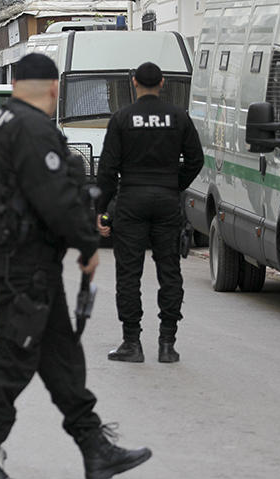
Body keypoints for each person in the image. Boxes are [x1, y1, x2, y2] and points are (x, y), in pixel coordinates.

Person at [0, 53, 151, 479]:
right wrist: (87, 244)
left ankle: (94, 446)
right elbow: (55, 197)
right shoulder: (34, 128)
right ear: (54, 88)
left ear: (16, 82)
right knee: (13, 357)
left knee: (60, 354)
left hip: (20, 260)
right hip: (25, 264)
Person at [95, 62, 204, 363]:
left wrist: (102, 210)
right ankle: (167, 344)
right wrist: (174, 184)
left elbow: (107, 169)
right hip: (167, 199)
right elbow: (196, 159)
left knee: (129, 273)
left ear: (133, 83)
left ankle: (132, 343)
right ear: (163, 82)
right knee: (169, 271)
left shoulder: (122, 118)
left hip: (131, 200)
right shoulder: (179, 117)